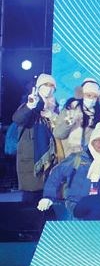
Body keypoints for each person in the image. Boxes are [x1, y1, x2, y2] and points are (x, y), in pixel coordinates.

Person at [38, 123, 100, 221]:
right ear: (92, 141)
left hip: (99, 207)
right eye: (98, 140)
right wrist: (48, 196)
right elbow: (57, 174)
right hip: (76, 203)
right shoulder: (78, 158)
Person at [13, 73, 59, 204]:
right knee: (30, 199)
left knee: (47, 199)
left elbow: (59, 133)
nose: (49, 88)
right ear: (38, 87)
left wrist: (54, 117)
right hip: (31, 159)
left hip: (50, 159)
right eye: (46, 85)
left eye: (52, 86)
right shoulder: (29, 104)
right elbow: (17, 119)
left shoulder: (55, 109)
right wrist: (30, 106)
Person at [54, 78, 100, 157]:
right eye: (88, 95)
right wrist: (68, 123)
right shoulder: (70, 108)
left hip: (86, 158)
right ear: (81, 94)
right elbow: (58, 134)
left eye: (95, 96)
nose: (91, 99)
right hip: (66, 155)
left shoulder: (99, 116)